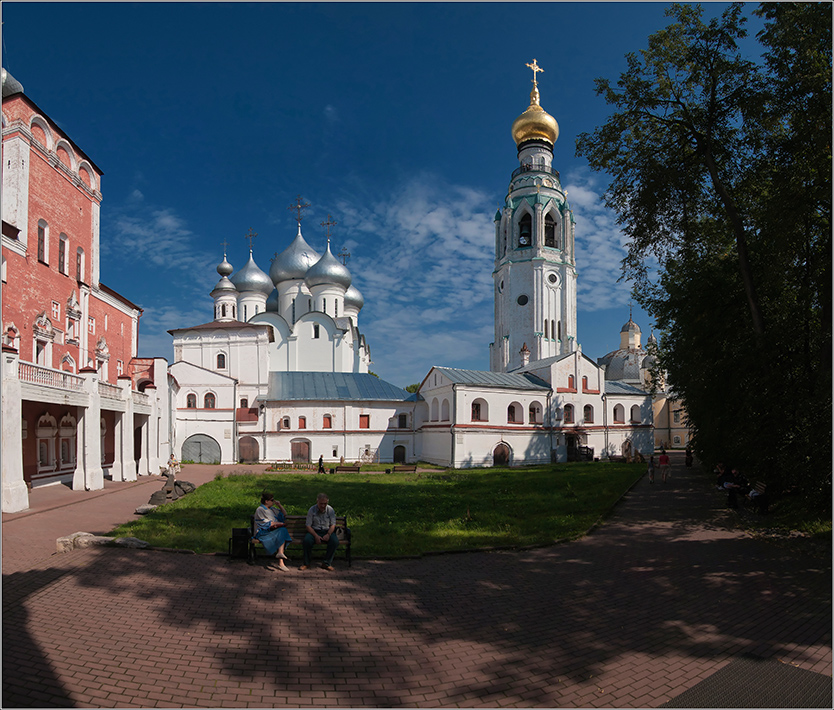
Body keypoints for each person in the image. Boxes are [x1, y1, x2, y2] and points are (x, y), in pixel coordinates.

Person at [253, 492, 292, 571]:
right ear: (266, 501)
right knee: (282, 532)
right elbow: (266, 524)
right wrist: (279, 523)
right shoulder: (260, 510)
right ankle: (281, 561)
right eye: (272, 500)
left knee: (282, 531)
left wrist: (279, 505)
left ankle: (280, 556)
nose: (273, 502)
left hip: (274, 530)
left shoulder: (273, 509)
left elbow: (284, 514)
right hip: (263, 532)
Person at [301, 492, 339, 571]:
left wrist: (328, 534)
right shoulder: (312, 510)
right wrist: (315, 536)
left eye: (325, 504)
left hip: (326, 530)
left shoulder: (330, 510)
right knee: (307, 541)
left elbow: (333, 525)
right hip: (314, 531)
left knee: (334, 541)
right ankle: (306, 563)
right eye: (321, 503)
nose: (323, 506)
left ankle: (326, 563)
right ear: (317, 502)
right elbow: (308, 526)